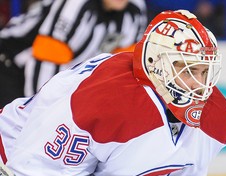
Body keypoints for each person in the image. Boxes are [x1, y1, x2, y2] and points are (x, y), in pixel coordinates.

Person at [0, 9, 226, 176]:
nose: (198, 85)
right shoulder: (106, 101)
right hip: (11, 170)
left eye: (204, 71)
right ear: (156, 63)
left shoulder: (214, 118)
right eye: (188, 70)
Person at [0, 0, 147, 108]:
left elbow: (121, 70)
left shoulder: (135, 10)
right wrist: (43, 111)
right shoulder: (75, 4)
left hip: (61, 77)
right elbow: (46, 62)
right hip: (11, 64)